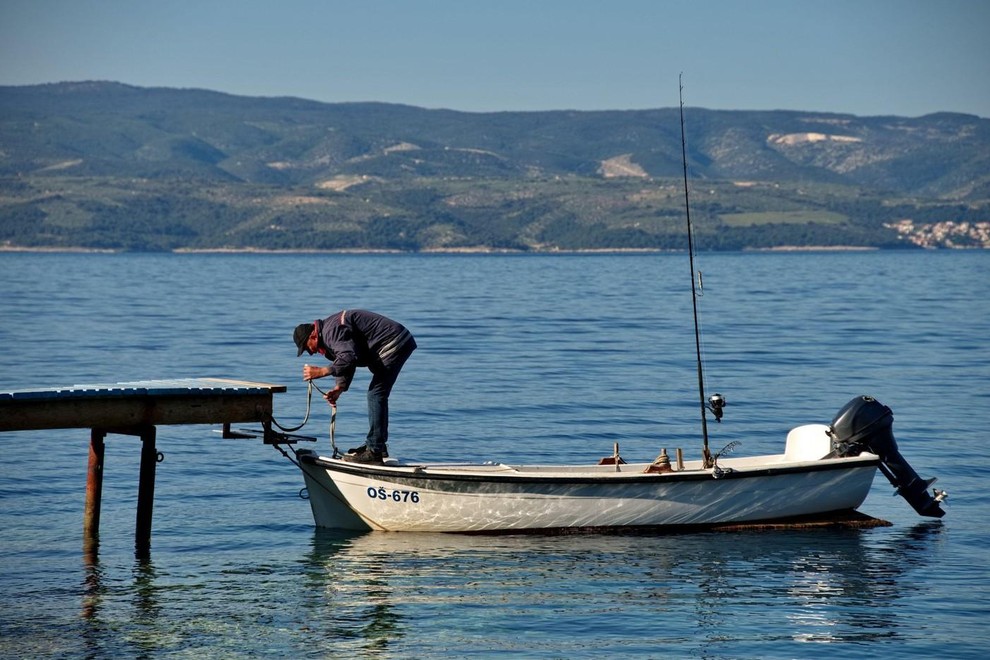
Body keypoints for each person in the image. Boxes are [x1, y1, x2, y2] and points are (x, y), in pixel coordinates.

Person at [294, 309, 416, 464]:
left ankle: (375, 450)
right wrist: (340, 388)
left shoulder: (331, 331)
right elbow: (345, 360)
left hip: (393, 341)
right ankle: (377, 446)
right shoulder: (328, 338)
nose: (310, 353)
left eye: (306, 347)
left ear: (312, 335)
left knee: (376, 394)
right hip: (396, 341)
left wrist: (322, 371)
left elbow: (348, 357)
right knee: (377, 394)